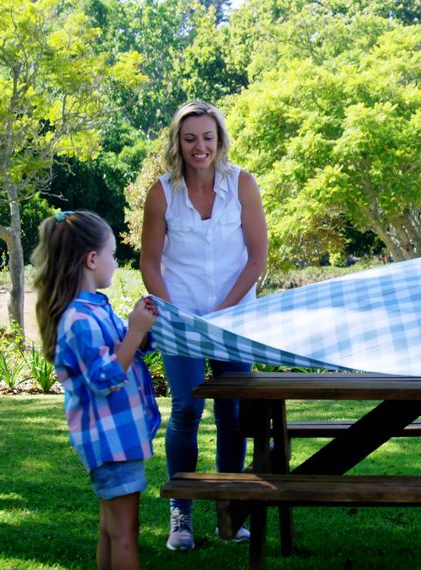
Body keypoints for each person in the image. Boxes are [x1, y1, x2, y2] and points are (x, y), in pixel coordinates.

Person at [140, 100, 268, 551]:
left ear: (220, 140)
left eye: (208, 138)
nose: (200, 147)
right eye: (190, 138)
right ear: (178, 141)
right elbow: (150, 263)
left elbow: (257, 258)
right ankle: (182, 515)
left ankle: (229, 515)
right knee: (188, 411)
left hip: (235, 320)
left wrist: (224, 313)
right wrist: (176, 315)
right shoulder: (162, 192)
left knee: (233, 414)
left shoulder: (243, 184)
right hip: (181, 321)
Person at [33, 210, 161, 570]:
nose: (115, 264)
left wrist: (143, 328)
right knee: (125, 532)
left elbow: (127, 344)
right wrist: (135, 332)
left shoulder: (95, 309)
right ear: (92, 260)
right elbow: (104, 377)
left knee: (111, 530)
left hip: (115, 440)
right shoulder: (80, 319)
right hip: (110, 443)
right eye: (113, 255)